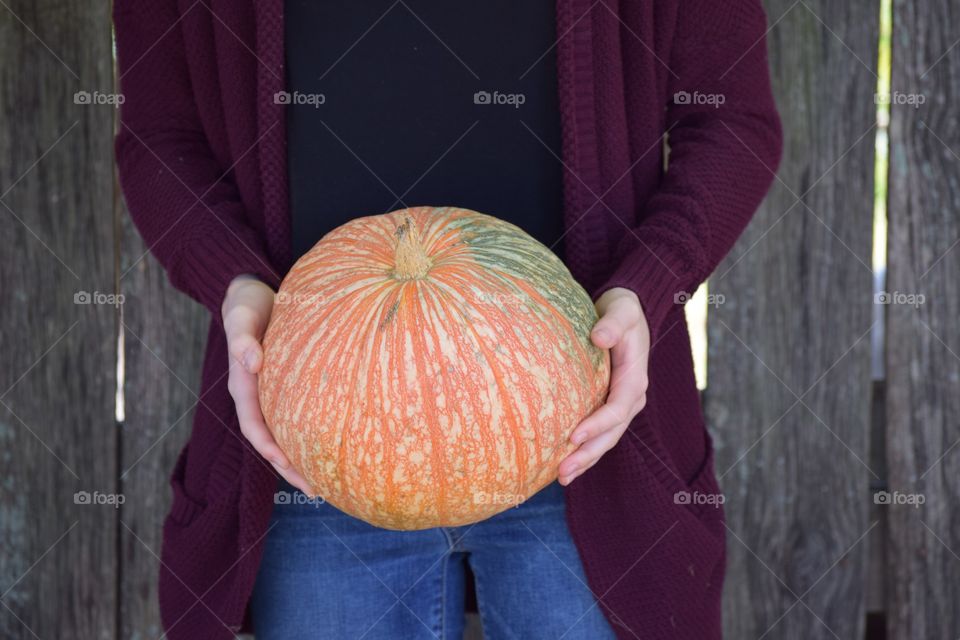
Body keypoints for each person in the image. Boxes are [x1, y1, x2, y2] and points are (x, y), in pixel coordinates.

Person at [114, 1, 781, 638]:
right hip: (316, 430)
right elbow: (159, 139)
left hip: (579, 421)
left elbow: (732, 120)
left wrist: (648, 286)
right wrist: (237, 284)